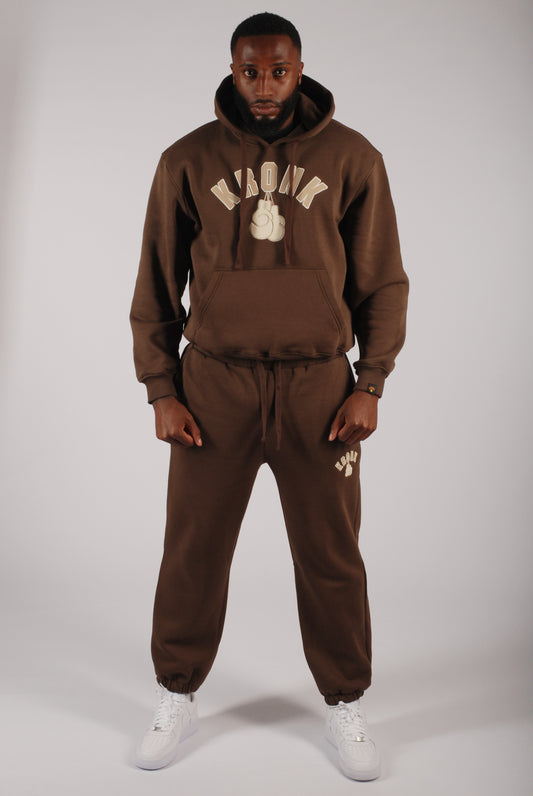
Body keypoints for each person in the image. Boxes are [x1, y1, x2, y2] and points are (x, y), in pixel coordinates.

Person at [129, 12, 408, 781]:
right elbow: (156, 281)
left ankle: (344, 701)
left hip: (320, 388)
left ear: (298, 68)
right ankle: (176, 692)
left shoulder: (353, 157)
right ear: (232, 68)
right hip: (213, 387)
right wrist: (161, 389)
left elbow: (382, 279)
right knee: (193, 550)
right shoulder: (186, 160)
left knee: (331, 555)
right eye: (249, 70)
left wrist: (370, 382)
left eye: (277, 70)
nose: (263, 84)